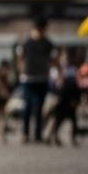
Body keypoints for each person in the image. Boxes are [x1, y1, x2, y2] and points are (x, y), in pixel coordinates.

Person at [15, 16, 56, 144]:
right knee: (27, 106)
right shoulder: (26, 43)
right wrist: (21, 70)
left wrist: (56, 72)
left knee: (39, 107)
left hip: (42, 79)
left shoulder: (48, 43)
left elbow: (54, 59)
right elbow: (20, 57)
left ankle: (37, 134)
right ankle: (25, 133)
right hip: (28, 79)